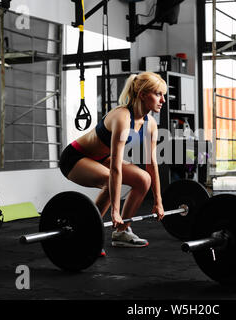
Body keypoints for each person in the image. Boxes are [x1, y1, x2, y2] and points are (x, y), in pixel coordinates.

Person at [59, 72, 166, 251]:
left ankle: (121, 232)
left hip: (102, 158)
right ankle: (85, 233)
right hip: (75, 157)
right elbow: (116, 168)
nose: (163, 100)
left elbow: (152, 164)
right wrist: (114, 211)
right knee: (110, 181)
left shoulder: (150, 124)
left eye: (163, 95)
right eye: (158, 94)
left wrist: (158, 201)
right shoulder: (122, 117)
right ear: (142, 94)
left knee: (144, 179)